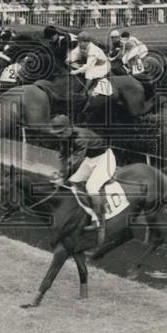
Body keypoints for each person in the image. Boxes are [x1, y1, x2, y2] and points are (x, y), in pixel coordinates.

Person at [49, 115, 114, 247]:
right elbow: (63, 156)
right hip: (90, 160)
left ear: (69, 128)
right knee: (72, 182)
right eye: (57, 133)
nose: (59, 136)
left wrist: (63, 177)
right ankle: (80, 215)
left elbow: (77, 162)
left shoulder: (81, 137)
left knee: (92, 187)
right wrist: (62, 173)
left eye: (61, 132)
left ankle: (99, 221)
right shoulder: (65, 137)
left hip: (104, 159)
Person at [70, 30, 111, 107]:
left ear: (86, 42)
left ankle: (85, 91)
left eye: (80, 42)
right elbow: (74, 54)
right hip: (94, 64)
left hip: (103, 66)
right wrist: (69, 60)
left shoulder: (93, 50)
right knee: (76, 65)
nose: (79, 44)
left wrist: (76, 72)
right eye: (78, 42)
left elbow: (88, 66)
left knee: (89, 71)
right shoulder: (81, 46)